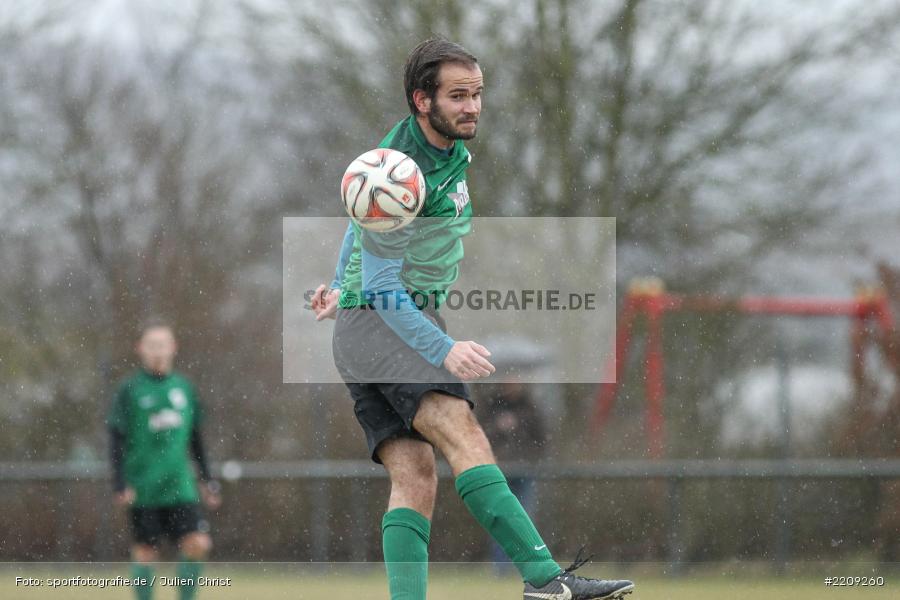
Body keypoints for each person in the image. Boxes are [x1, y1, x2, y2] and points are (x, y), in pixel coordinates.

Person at [311, 38, 634, 600]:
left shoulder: (423, 154)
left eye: (478, 93)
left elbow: (359, 215)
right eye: (458, 95)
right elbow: (386, 286)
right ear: (421, 100)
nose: (473, 107)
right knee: (467, 438)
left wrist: (341, 284)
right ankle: (544, 580)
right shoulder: (403, 167)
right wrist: (442, 348)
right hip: (390, 322)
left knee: (414, 476)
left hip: (366, 329)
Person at [108, 319, 221, 600]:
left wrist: (207, 479)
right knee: (146, 552)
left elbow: (196, 439)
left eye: (162, 345)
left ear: (173, 348)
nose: (157, 351)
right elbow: (116, 438)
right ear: (140, 349)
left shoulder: (183, 388)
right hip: (144, 485)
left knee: (197, 543)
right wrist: (120, 482)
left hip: (179, 484)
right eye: (151, 345)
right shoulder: (130, 389)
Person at [478, 381, 547, 572]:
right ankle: (501, 565)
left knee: (524, 517)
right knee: (500, 518)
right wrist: (497, 427)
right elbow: (479, 435)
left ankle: (529, 563)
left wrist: (519, 424)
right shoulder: (492, 405)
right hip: (499, 468)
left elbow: (540, 438)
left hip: (524, 469)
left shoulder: (530, 407)